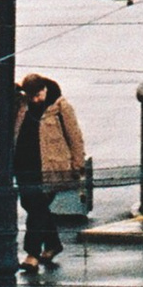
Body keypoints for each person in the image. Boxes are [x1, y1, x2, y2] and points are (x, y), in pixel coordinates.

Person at [13, 75, 88, 274]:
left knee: (37, 207)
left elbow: (75, 136)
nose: (35, 100)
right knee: (30, 204)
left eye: (38, 95)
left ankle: (32, 254)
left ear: (45, 88)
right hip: (23, 165)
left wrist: (78, 165)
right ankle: (53, 243)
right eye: (31, 96)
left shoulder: (60, 107)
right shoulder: (22, 106)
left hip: (51, 167)